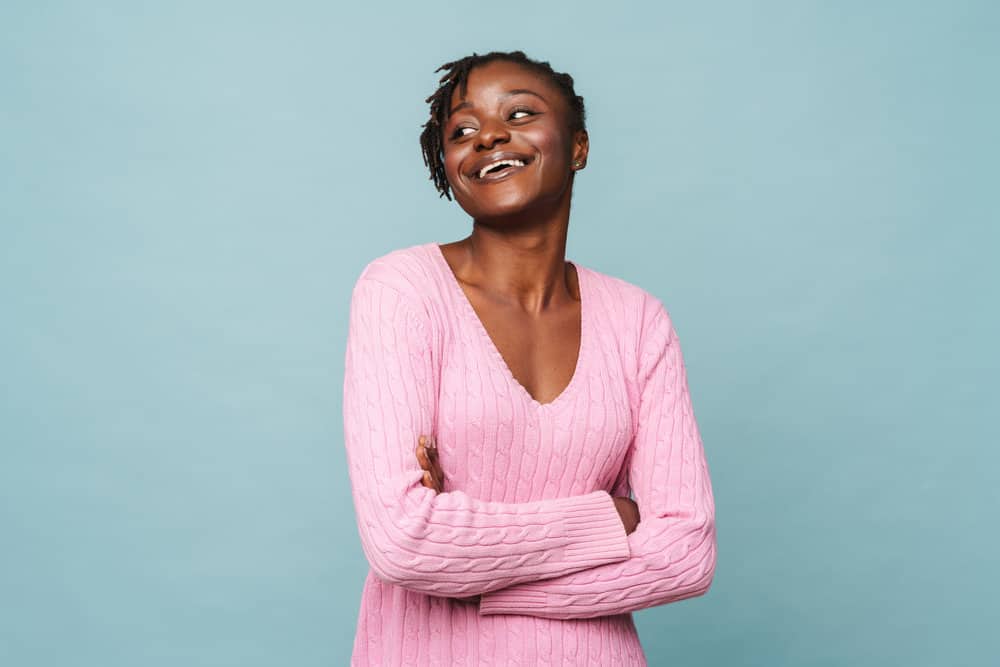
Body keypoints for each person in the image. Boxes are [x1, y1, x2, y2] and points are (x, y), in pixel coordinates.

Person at [342, 50, 716, 666]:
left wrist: (483, 586)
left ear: (578, 147)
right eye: (461, 130)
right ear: (447, 163)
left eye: (519, 113)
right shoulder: (402, 291)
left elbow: (685, 554)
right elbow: (403, 541)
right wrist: (609, 521)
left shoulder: (637, 320)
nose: (487, 135)